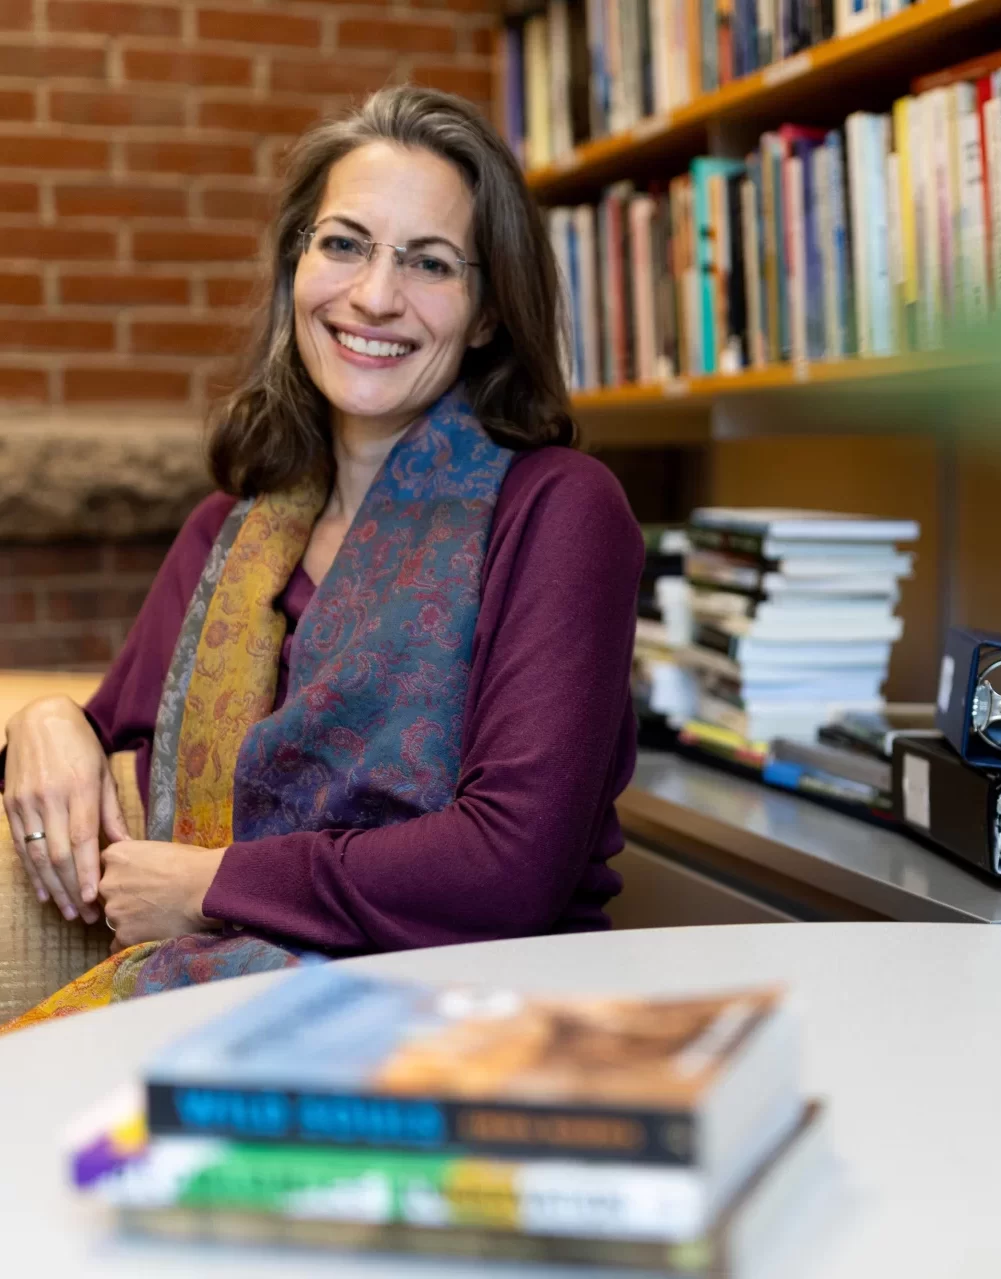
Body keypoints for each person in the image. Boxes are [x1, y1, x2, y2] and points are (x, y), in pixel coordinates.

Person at [0, 86, 643, 1031]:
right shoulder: (229, 534)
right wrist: (48, 719)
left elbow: (513, 863)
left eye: (429, 263)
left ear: (488, 312)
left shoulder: (557, 510)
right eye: (344, 244)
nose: (374, 296)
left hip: (482, 1020)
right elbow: (114, 738)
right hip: (211, 1008)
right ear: (296, 264)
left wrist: (214, 883)